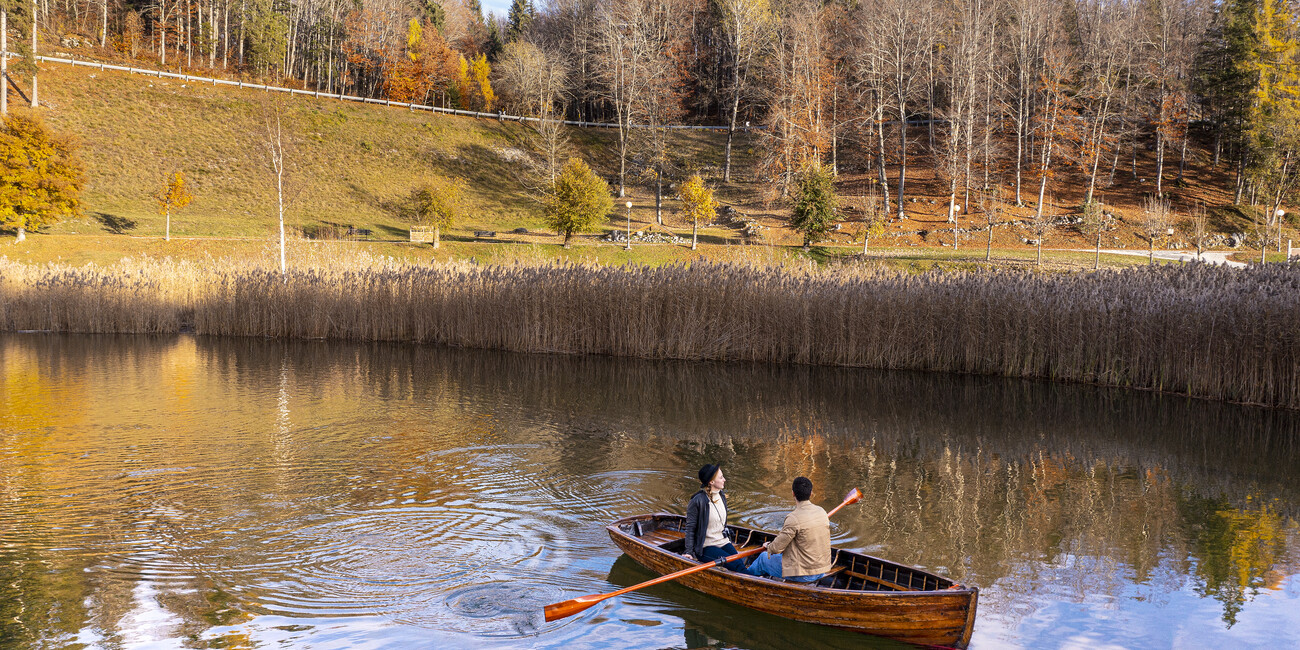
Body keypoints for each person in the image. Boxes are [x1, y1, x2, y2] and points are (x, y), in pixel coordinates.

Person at [744, 477, 831, 583]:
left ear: (793, 493)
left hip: (804, 575)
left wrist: (768, 547)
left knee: (763, 558)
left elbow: (776, 548)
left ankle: (743, 578)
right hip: (822, 569)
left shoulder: (793, 518)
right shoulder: (821, 511)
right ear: (811, 493)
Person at [682, 463, 747, 571]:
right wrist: (689, 552)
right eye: (721, 477)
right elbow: (690, 528)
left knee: (740, 562)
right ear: (711, 482)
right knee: (737, 566)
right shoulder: (697, 501)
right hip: (706, 547)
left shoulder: (721, 495)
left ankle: (756, 578)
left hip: (723, 541)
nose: (724, 480)